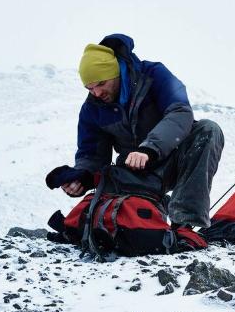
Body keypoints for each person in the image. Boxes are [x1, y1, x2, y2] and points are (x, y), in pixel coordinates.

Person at [46, 33, 223, 229]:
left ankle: (185, 225)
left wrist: (149, 149)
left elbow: (180, 111)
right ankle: (154, 211)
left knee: (208, 130)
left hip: (175, 159)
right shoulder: (92, 109)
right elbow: (93, 155)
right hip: (135, 171)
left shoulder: (154, 75)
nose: (96, 93)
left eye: (101, 84)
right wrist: (82, 179)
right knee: (112, 219)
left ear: (117, 73)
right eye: (90, 88)